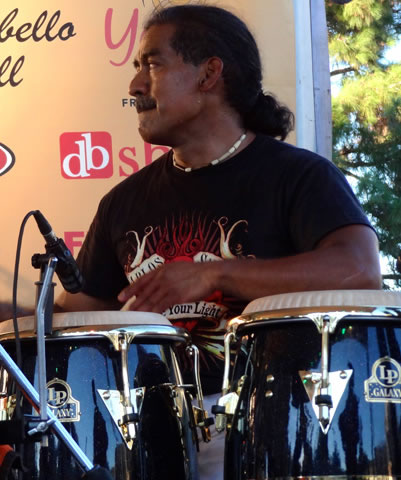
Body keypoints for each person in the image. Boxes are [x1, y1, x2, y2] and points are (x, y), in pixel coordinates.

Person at [55, 4, 381, 479]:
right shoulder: (122, 202)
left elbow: (359, 271)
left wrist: (215, 272)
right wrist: (19, 316)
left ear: (209, 74)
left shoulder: (298, 176)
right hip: (145, 433)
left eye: (152, 64)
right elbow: (82, 315)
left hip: (270, 424)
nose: (135, 86)